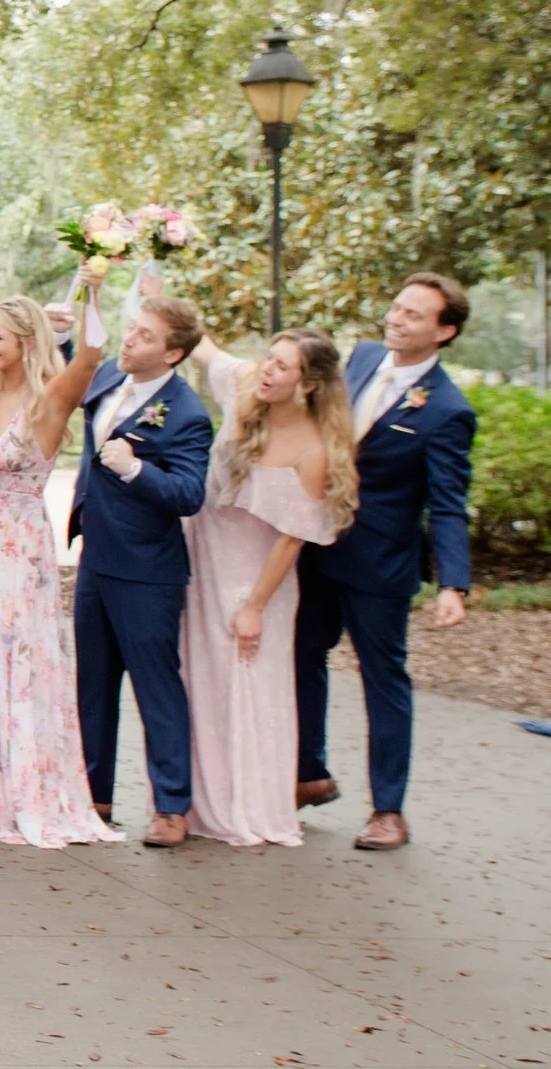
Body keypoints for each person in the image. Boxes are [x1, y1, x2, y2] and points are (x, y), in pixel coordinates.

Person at [0, 273, 120, 849]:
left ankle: (20, 791)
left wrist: (92, 287)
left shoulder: (50, 399)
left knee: (10, 660)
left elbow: (92, 352)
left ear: (28, 342)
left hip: (16, 546)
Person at [296, 272, 476, 852]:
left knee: (384, 681)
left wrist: (454, 584)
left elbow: (448, 504)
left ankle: (388, 811)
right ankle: (309, 773)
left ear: (444, 332)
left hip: (380, 563)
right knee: (299, 654)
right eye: (397, 308)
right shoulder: (364, 356)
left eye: (414, 315)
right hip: (315, 545)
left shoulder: (447, 409)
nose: (397, 319)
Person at [179, 322, 357, 848]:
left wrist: (255, 605)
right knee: (199, 681)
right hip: (203, 556)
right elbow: (202, 346)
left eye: (282, 366)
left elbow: (291, 540)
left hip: (255, 579)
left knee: (247, 686)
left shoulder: (314, 450)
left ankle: (249, 805)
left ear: (308, 385)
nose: (268, 370)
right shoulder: (243, 384)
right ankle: (196, 804)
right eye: (269, 358)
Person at [67, 293, 213, 848]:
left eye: (145, 335)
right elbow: (69, 380)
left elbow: (190, 493)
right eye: (131, 330)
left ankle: (171, 807)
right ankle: (93, 795)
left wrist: (136, 471)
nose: (129, 340)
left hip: (148, 572)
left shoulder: (189, 414)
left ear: (173, 353)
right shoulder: (108, 377)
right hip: (95, 560)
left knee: (157, 689)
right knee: (93, 686)